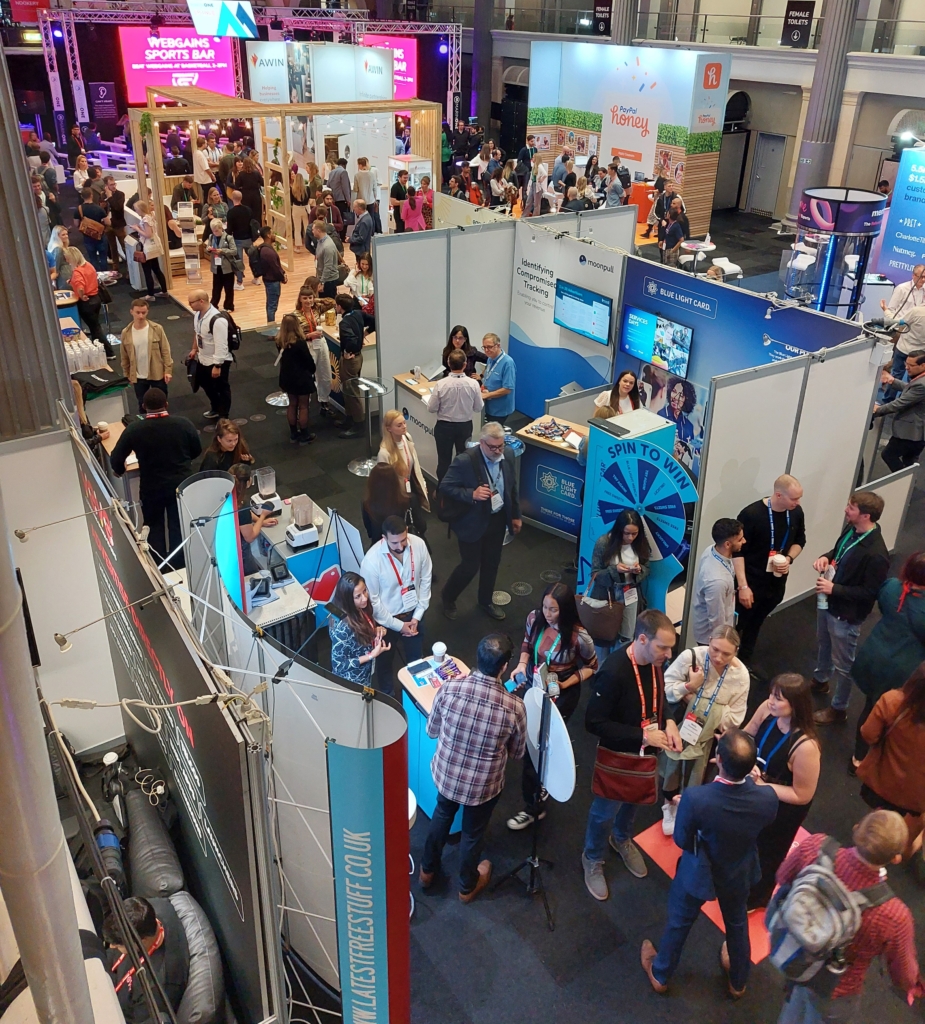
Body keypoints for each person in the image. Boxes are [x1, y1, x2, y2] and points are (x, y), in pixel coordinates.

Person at [642, 729, 778, 999]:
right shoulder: (768, 797)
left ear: (718, 759)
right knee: (737, 924)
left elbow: (682, 839)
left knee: (680, 922)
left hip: (699, 871)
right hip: (739, 869)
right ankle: (738, 982)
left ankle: (660, 973)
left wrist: (686, 811)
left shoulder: (696, 798)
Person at [774, 811, 924, 1023]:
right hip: (836, 986)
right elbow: (904, 974)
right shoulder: (894, 915)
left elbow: (783, 877)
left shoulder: (815, 847)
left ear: (857, 829)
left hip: (796, 951)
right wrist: (913, 986)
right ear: (895, 858)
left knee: (794, 1005)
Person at [581, 609, 682, 899]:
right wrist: (642, 735)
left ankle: (622, 838)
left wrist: (670, 721)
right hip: (618, 756)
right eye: (662, 646)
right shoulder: (613, 672)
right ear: (641, 639)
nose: (668, 653)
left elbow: (659, 697)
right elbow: (594, 723)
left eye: (670, 647)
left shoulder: (653, 661)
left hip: (646, 751)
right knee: (604, 812)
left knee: (635, 800)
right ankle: (592, 858)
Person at [420, 633, 527, 903]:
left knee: (441, 815)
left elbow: (431, 730)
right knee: (472, 834)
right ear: (504, 666)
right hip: (483, 787)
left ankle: (426, 871)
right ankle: (466, 887)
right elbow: (517, 753)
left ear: (476, 660)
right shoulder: (515, 707)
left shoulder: (450, 687)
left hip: (446, 776)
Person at [506, 584, 597, 831]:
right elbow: (526, 643)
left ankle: (534, 806)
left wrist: (567, 682)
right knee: (529, 734)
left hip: (562, 692)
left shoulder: (579, 637)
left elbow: (592, 666)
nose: (547, 613)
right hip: (535, 683)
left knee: (539, 742)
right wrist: (521, 664)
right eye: (545, 607)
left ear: (565, 610)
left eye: (554, 609)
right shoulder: (534, 618)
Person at [660, 626, 750, 834]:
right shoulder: (691, 657)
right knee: (674, 761)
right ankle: (669, 804)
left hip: (710, 734)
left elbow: (735, 718)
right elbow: (667, 686)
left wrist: (700, 706)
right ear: (708, 641)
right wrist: (689, 687)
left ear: (736, 650)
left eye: (726, 653)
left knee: (699, 772)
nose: (718, 657)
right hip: (682, 722)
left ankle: (689, 806)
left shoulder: (741, 676)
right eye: (714, 649)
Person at [742, 673, 821, 910]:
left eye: (778, 699)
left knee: (767, 853)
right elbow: (747, 734)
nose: (770, 702)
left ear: (795, 705)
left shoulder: (806, 746)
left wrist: (763, 786)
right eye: (771, 695)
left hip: (782, 809)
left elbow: (802, 795)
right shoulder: (767, 711)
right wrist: (747, 760)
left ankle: (756, 899)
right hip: (755, 789)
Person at [812, 491, 890, 725]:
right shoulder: (852, 529)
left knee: (844, 663)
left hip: (844, 614)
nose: (846, 509)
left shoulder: (876, 554)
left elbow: (869, 593)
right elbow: (838, 553)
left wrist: (834, 589)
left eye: (851, 507)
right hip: (827, 601)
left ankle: (839, 708)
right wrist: (826, 557)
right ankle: (821, 679)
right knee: (823, 641)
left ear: (865, 516)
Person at [849, 551, 925, 772]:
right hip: (906, 669)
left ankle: (858, 757)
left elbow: (883, 606)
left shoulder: (891, 587)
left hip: (874, 657)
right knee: (902, 715)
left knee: (871, 707)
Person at [440, 422, 522, 622]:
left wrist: (516, 515)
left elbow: (512, 487)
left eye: (500, 446)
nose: (497, 451)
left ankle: (485, 601)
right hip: (471, 522)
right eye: (492, 447)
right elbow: (445, 486)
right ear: (482, 443)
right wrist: (472, 494)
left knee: (492, 563)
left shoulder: (508, 455)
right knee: (469, 566)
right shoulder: (465, 461)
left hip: (497, 518)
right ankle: (448, 597)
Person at [110, 389, 201, 568]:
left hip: (152, 487)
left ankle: (157, 565)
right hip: (180, 484)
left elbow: (116, 457)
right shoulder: (183, 424)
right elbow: (196, 449)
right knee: (178, 525)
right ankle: (180, 566)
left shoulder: (135, 429)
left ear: (144, 407)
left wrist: (119, 470)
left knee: (153, 525)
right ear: (166, 404)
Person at [733, 474, 806, 667]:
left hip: (776, 581)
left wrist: (789, 559)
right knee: (737, 624)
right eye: (794, 498)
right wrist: (743, 587)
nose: (797, 503)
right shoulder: (751, 515)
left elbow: (800, 541)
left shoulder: (796, 513)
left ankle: (744, 661)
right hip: (750, 581)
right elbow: (737, 553)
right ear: (779, 495)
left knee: (756, 622)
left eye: (799, 498)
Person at [358, 515, 433, 698]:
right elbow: (373, 601)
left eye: (403, 540)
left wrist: (417, 615)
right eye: (394, 543)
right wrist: (399, 626)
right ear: (384, 539)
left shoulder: (418, 545)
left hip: (414, 615)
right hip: (386, 622)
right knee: (385, 664)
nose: (400, 546)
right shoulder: (372, 561)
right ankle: (388, 698)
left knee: (416, 660)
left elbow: (426, 579)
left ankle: (417, 696)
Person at [857, 667, 925, 861]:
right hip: (917, 795)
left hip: (882, 780)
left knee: (878, 814)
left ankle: (870, 835)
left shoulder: (893, 702)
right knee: (908, 835)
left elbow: (868, 734)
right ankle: (902, 851)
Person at [103, 896, 189, 1024]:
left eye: (118, 944)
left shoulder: (157, 989)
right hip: (107, 974)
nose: (112, 946)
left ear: (141, 941)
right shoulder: (150, 909)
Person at [588, 509, 651, 655]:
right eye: (626, 533)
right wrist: (615, 570)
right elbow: (595, 574)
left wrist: (639, 570)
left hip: (630, 592)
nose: (630, 538)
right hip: (607, 593)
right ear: (619, 530)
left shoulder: (641, 544)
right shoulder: (604, 542)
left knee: (626, 636)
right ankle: (601, 671)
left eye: (634, 534)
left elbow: (647, 568)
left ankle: (617, 667)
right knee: (603, 636)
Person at [428, 349, 484, 482]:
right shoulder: (473, 384)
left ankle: (442, 492)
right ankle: (461, 488)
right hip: (464, 427)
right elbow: (478, 407)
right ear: (465, 365)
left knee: (443, 461)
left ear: (448, 364)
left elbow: (431, 408)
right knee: (464, 458)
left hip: (444, 427)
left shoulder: (441, 384)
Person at [329, 572, 391, 687]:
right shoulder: (342, 628)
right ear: (347, 599)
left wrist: (374, 631)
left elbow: (358, 634)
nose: (364, 598)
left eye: (365, 591)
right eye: (358, 596)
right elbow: (338, 665)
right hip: (352, 682)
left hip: (365, 673)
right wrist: (371, 655)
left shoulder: (358, 607)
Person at [690, 518, 745, 645]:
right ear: (727, 544)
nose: (744, 541)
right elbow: (717, 621)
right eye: (740, 539)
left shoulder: (712, 550)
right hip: (711, 638)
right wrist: (724, 643)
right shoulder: (717, 581)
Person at [378, 409, 429, 532]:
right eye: (399, 425)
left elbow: (415, 464)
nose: (404, 427)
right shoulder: (384, 453)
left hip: (410, 488)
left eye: (404, 423)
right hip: (396, 495)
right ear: (389, 428)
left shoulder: (407, 438)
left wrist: (423, 484)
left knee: (420, 525)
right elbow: (383, 483)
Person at [874, 349, 925, 471]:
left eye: (911, 365)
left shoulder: (922, 385)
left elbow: (899, 404)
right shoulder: (921, 380)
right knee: (909, 462)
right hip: (918, 434)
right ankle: (907, 484)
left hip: (911, 433)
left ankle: (901, 483)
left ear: (923, 365)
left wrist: (878, 410)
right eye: (906, 364)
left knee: (888, 455)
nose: (907, 368)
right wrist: (892, 381)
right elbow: (911, 390)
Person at [120, 298, 173, 413]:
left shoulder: (157, 329)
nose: (141, 316)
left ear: (147, 312)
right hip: (138, 376)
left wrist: (168, 370)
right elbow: (124, 355)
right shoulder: (126, 332)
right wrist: (127, 373)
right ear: (131, 312)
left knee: (161, 403)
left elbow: (165, 350)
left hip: (157, 373)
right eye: (138, 312)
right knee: (142, 404)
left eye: (143, 313)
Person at [188, 290, 232, 420]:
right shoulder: (197, 315)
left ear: (201, 301)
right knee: (203, 383)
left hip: (218, 360)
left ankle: (224, 416)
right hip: (203, 358)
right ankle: (216, 407)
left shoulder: (217, 320)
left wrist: (217, 365)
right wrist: (194, 349)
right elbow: (197, 333)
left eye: (191, 302)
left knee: (221, 387)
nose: (189, 304)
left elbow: (221, 345)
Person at [230, 463, 278, 577]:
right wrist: (262, 516)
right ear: (248, 482)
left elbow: (247, 515)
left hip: (226, 545)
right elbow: (250, 537)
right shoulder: (240, 506)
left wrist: (259, 521)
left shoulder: (230, 497)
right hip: (239, 553)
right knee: (252, 577)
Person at [276, 313, 316, 445]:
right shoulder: (300, 343)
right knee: (303, 406)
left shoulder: (280, 341)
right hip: (302, 378)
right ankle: (304, 434)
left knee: (292, 404)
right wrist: (312, 370)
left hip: (287, 377)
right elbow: (308, 362)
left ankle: (293, 434)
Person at [293, 288, 334, 417]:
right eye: (305, 298)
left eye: (310, 297)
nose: (308, 300)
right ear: (300, 299)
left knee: (325, 373)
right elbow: (292, 336)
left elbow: (332, 302)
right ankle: (305, 404)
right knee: (307, 375)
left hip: (320, 343)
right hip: (307, 345)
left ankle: (324, 402)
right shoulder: (295, 315)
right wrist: (308, 335)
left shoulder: (316, 309)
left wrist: (315, 299)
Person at [334, 293, 366, 439]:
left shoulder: (344, 323)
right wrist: (365, 333)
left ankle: (358, 424)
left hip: (350, 361)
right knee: (347, 389)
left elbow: (351, 339)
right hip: (358, 357)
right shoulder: (358, 314)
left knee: (352, 392)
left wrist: (349, 351)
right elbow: (373, 321)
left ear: (340, 307)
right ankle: (350, 418)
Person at [65, 246, 108, 353]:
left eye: (67, 258)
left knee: (95, 328)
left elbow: (80, 286)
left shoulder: (77, 272)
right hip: (96, 299)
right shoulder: (89, 265)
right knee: (95, 326)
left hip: (87, 302)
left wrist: (82, 295)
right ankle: (99, 349)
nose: (66, 260)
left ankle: (107, 351)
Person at [362, 463, 411, 542]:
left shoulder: (367, 503)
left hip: (379, 543)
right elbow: (421, 526)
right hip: (404, 541)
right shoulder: (408, 499)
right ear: (395, 480)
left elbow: (369, 531)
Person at [133, 201, 168, 300]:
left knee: (147, 271)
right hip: (153, 247)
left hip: (147, 248)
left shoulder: (145, 219)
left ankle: (150, 294)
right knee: (156, 269)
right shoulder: (150, 217)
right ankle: (164, 290)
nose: (136, 211)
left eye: (136, 209)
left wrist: (137, 229)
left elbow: (148, 234)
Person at [480, 333, 516, 426]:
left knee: (494, 435)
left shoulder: (508, 363)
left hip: (500, 409)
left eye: (489, 347)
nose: (486, 350)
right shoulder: (490, 359)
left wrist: (487, 395)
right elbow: (488, 373)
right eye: (484, 347)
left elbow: (507, 389)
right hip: (489, 405)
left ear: (498, 346)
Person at [207, 218, 237, 313]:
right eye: (213, 231)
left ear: (221, 228)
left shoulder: (229, 238)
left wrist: (223, 251)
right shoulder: (211, 237)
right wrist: (209, 249)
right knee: (216, 287)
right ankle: (214, 304)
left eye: (217, 230)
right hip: (216, 267)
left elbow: (234, 251)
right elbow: (207, 248)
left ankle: (229, 306)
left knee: (228, 288)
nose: (215, 232)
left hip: (227, 267)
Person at [257, 227, 286, 323]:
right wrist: (282, 277)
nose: (275, 235)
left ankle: (270, 327)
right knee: (272, 306)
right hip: (272, 282)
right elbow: (275, 267)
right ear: (268, 235)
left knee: (270, 305)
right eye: (273, 233)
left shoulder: (264, 248)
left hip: (269, 280)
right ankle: (271, 329)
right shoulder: (268, 251)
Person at [76, 187, 110, 272]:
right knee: (103, 257)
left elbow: (76, 224)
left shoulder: (79, 209)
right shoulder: (99, 209)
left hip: (87, 237)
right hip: (100, 236)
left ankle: (96, 276)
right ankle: (105, 275)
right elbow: (108, 222)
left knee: (92, 257)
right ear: (91, 195)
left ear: (82, 196)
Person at [225, 191, 253, 290]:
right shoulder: (248, 210)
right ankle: (257, 277)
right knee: (253, 257)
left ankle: (240, 282)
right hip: (249, 238)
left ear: (232, 198)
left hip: (237, 239)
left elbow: (229, 229)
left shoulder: (231, 212)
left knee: (238, 262)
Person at [102, 177, 127, 277]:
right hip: (108, 225)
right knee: (112, 248)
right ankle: (115, 268)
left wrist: (110, 197)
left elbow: (117, 207)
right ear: (106, 186)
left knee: (124, 247)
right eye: (111, 184)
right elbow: (101, 208)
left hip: (119, 225)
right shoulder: (102, 195)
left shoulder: (120, 194)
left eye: (114, 184)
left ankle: (129, 268)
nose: (114, 186)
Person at [311, 219, 339, 300]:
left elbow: (328, 266)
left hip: (328, 281)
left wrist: (322, 282)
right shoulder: (320, 241)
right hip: (323, 278)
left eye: (313, 229)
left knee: (328, 304)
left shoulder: (327, 246)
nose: (312, 231)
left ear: (318, 230)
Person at [353, 157, 380, 232]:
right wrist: (375, 199)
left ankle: (362, 233)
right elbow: (375, 188)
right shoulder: (372, 175)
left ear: (361, 165)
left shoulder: (357, 175)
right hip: (371, 200)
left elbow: (355, 189)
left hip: (361, 200)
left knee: (361, 218)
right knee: (371, 217)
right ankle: (371, 234)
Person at [235, 157, 263, 225]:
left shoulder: (241, 174)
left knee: (247, 213)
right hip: (256, 195)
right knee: (257, 214)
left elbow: (236, 186)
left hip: (245, 196)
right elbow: (263, 183)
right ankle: (257, 229)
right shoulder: (256, 173)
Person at [525, 152, 548, 218]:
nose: (532, 158)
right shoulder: (534, 166)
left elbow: (545, 174)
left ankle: (535, 216)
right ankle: (525, 215)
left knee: (536, 203)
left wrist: (541, 179)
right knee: (528, 201)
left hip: (537, 186)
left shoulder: (540, 166)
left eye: (533, 157)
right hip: (533, 184)